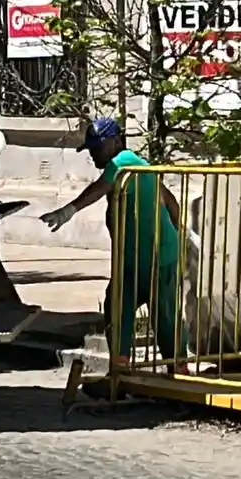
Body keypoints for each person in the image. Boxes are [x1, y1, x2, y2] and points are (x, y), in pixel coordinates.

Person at [39, 118, 187, 371]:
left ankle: (178, 370)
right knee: (118, 306)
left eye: (98, 147)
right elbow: (172, 205)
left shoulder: (125, 162)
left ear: (117, 142)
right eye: (91, 149)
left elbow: (100, 187)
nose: (94, 155)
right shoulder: (140, 166)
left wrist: (68, 211)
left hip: (156, 257)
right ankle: (120, 369)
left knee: (163, 314)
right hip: (133, 258)